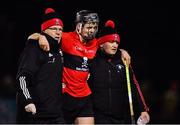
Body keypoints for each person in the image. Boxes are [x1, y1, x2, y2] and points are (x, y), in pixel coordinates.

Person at [28, 10, 131, 124]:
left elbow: (108, 44)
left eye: (95, 27)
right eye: (89, 27)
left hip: (84, 97)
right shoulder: (66, 38)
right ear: (79, 27)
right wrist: (40, 36)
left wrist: (122, 51)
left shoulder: (96, 44)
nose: (92, 31)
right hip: (66, 96)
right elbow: (36, 36)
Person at [88, 20, 150, 124]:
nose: (115, 45)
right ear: (101, 43)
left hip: (120, 117)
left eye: (117, 42)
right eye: (111, 41)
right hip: (98, 117)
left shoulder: (123, 61)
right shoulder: (93, 61)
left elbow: (134, 86)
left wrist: (143, 109)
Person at [16, 8, 65, 124]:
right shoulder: (34, 48)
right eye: (54, 29)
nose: (58, 32)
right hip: (37, 116)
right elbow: (22, 78)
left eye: (60, 29)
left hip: (57, 115)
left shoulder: (59, 50)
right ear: (45, 30)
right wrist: (28, 101)